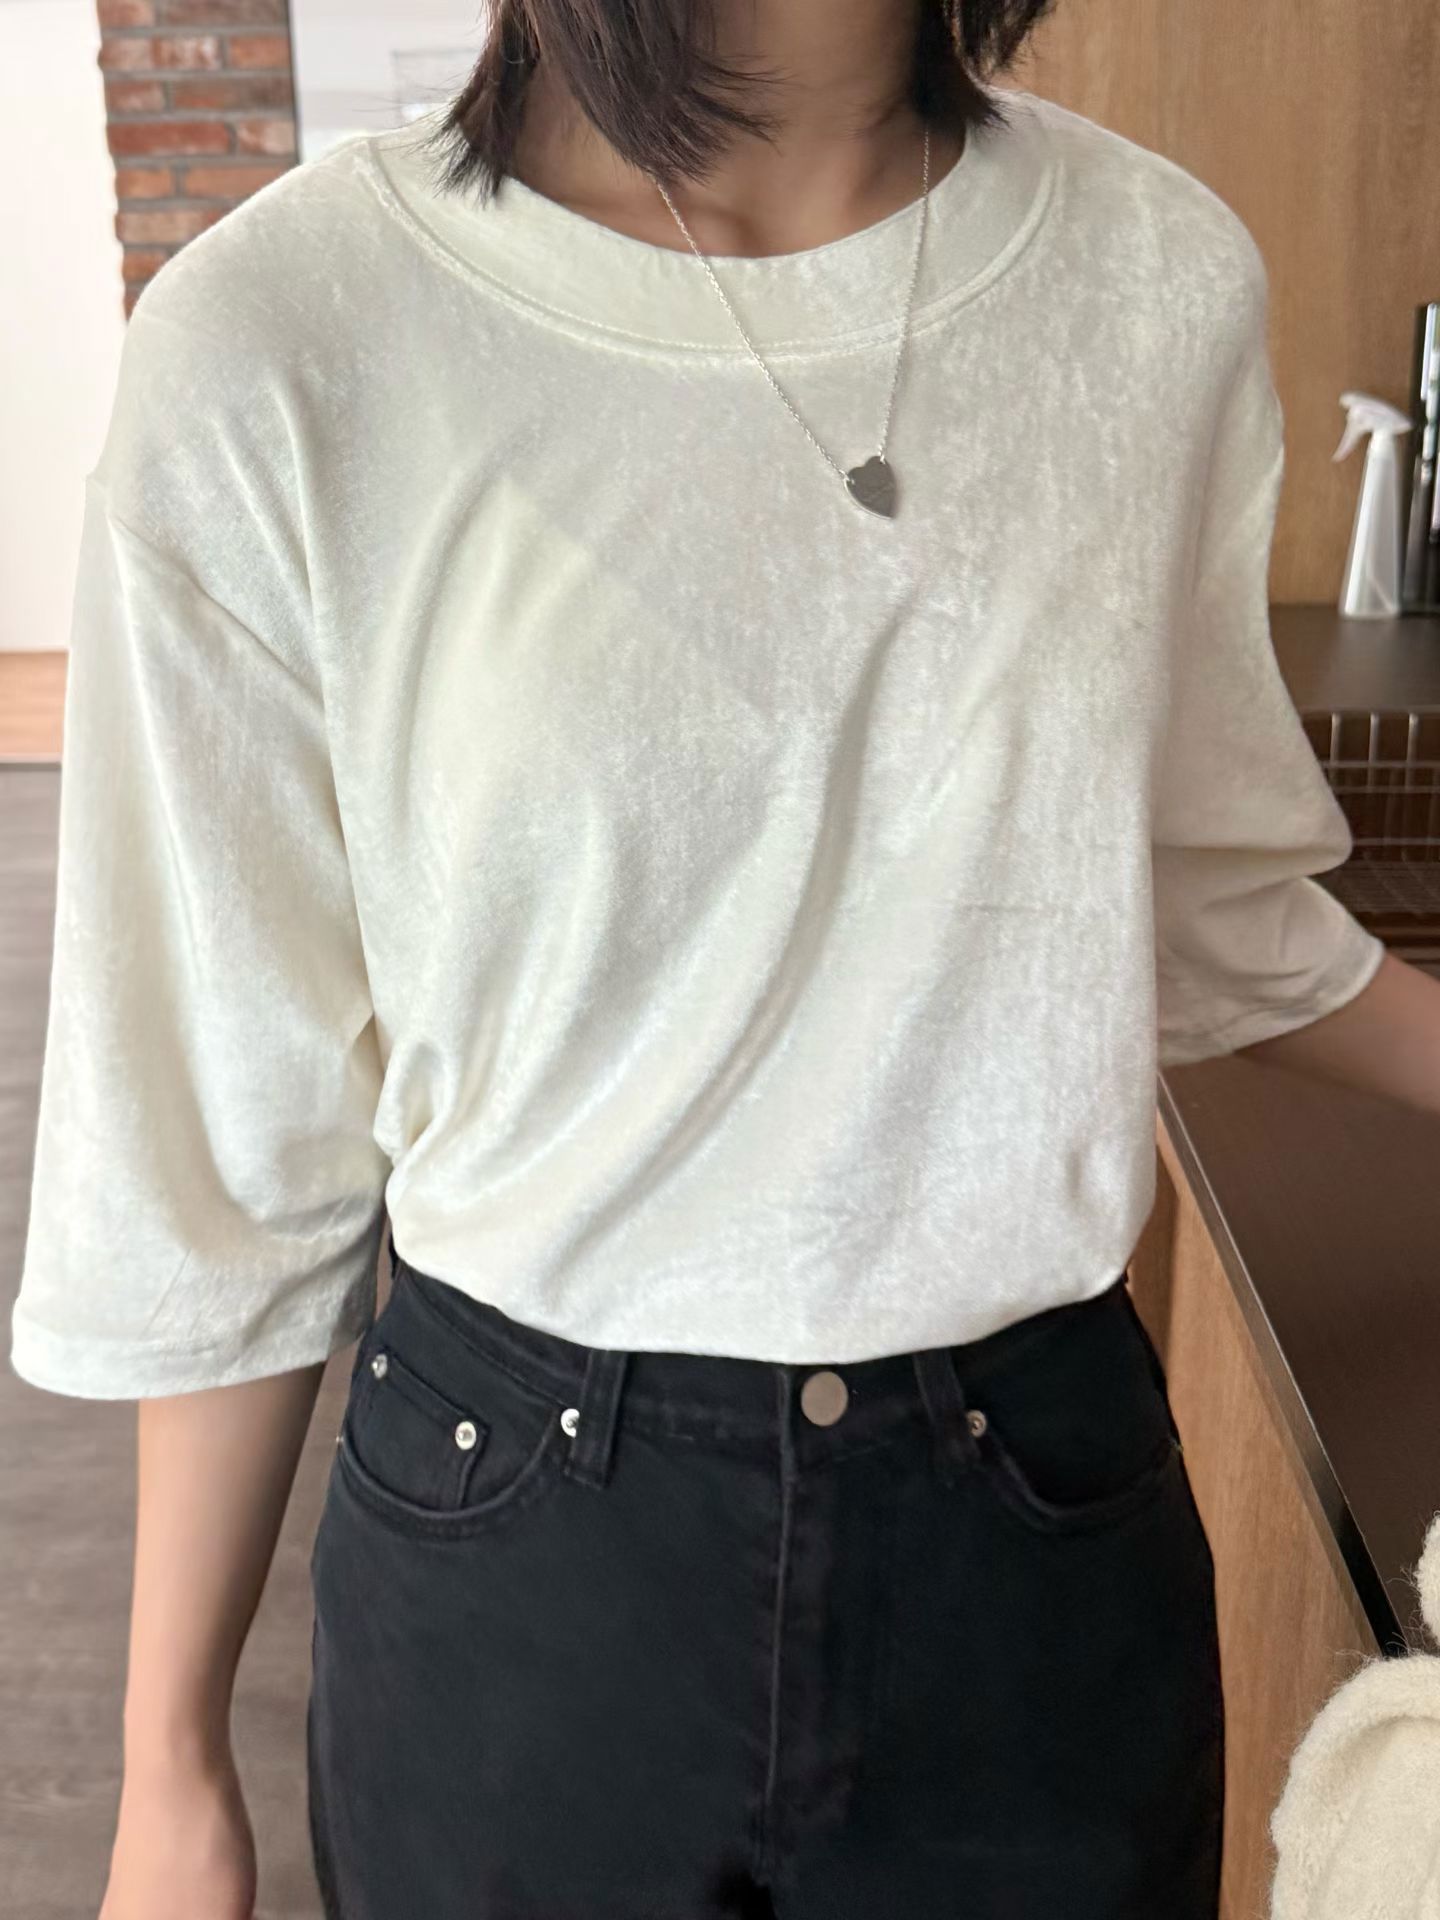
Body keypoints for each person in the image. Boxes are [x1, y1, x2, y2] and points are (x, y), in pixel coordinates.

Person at [11, 2, 1440, 1916]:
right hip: (521, 1540)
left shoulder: (1151, 280)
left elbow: (1169, 885)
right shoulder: (289, 336)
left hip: (1030, 1534)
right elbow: (224, 1105)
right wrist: (171, 1770)